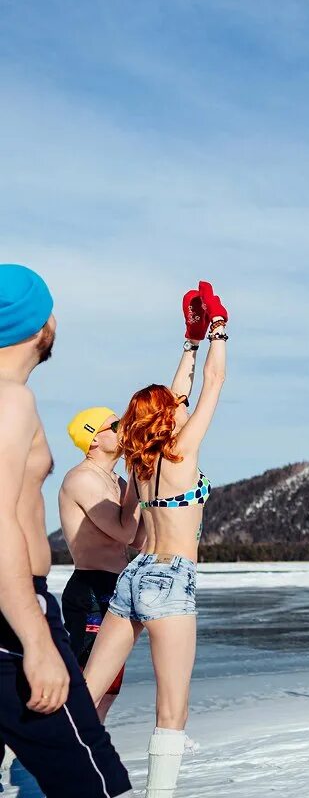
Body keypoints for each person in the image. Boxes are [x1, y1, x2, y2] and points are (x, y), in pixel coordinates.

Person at [83, 281, 228, 798]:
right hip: (170, 578)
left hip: (134, 573)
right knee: (172, 709)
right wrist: (219, 333)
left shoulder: (140, 461)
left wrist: (189, 341)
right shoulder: (181, 452)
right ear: (168, 419)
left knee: (85, 692)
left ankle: (32, 762)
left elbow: (180, 392)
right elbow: (211, 386)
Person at [0, 263, 132, 797]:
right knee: (92, 779)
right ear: (39, 326)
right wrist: (34, 639)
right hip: (11, 613)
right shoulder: (10, 398)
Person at [59, 406, 143, 722]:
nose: (125, 428)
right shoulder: (82, 478)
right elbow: (124, 529)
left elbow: (136, 538)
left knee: (109, 684)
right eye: (116, 424)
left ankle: (90, 749)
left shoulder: (116, 481)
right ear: (93, 438)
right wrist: (137, 480)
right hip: (91, 587)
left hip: (117, 587)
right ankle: (48, 750)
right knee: (86, 678)